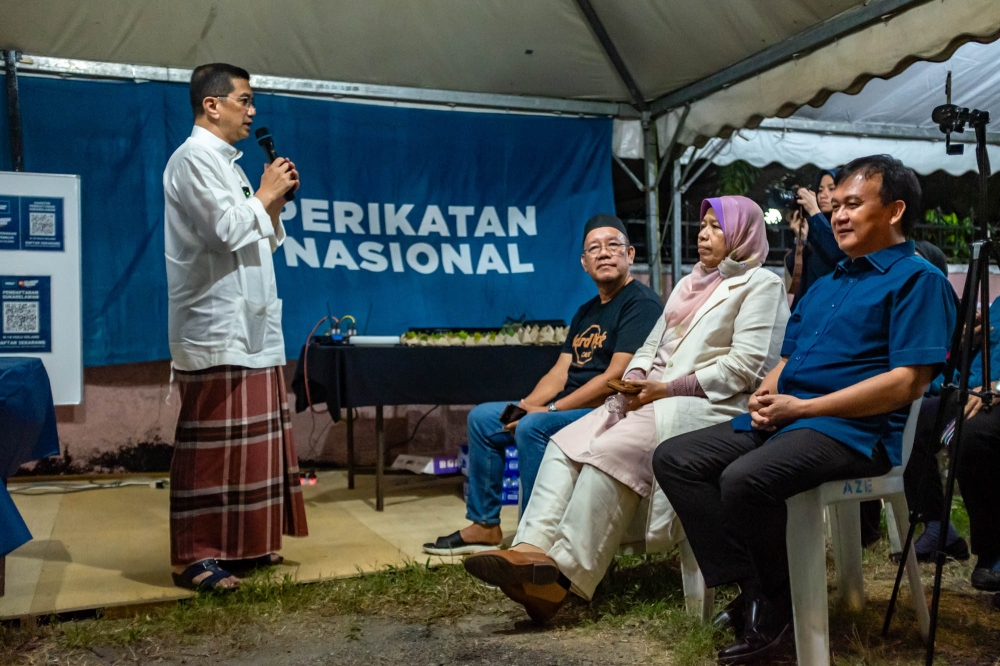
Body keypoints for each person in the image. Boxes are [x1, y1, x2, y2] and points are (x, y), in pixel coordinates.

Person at [652, 155, 957, 665]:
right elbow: (788, 361)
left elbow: (907, 383)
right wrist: (767, 396)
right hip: (793, 418)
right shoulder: (828, 282)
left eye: (852, 205)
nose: (837, 215)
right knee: (675, 459)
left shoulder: (917, 280)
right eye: (835, 206)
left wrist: (803, 406)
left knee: (744, 480)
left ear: (896, 210)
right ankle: (760, 595)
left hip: (854, 433)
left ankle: (776, 626)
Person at [460, 196, 789, 623]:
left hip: (709, 404)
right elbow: (652, 346)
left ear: (744, 234)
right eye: (702, 225)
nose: (703, 233)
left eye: (716, 227)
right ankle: (530, 551)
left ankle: (561, 584)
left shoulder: (761, 284)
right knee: (565, 442)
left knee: (610, 452)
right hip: (653, 395)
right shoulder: (691, 284)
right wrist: (634, 381)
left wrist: (664, 389)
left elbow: (743, 367)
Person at [423, 214, 663, 556]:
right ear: (584, 262)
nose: (604, 253)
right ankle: (486, 525)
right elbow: (560, 372)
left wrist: (545, 411)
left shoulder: (641, 304)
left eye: (613, 245)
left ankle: (533, 538)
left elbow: (616, 378)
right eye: (594, 248)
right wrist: (526, 404)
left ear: (630, 255)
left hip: (608, 410)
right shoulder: (586, 311)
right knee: (483, 418)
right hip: (569, 405)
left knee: (533, 427)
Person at [164, 63, 307, 591]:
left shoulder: (232, 165)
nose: (252, 112)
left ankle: (242, 546)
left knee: (250, 449)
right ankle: (194, 557)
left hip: (252, 327)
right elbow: (226, 230)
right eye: (244, 101)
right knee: (210, 449)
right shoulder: (192, 160)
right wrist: (265, 193)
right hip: (216, 326)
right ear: (212, 105)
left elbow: (262, 238)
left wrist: (271, 200)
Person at [784, 168, 846, 309]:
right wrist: (801, 240)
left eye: (831, 189)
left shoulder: (846, 225)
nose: (823, 195)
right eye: (820, 189)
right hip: (805, 304)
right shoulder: (811, 224)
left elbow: (838, 253)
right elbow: (794, 269)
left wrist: (814, 210)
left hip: (832, 304)